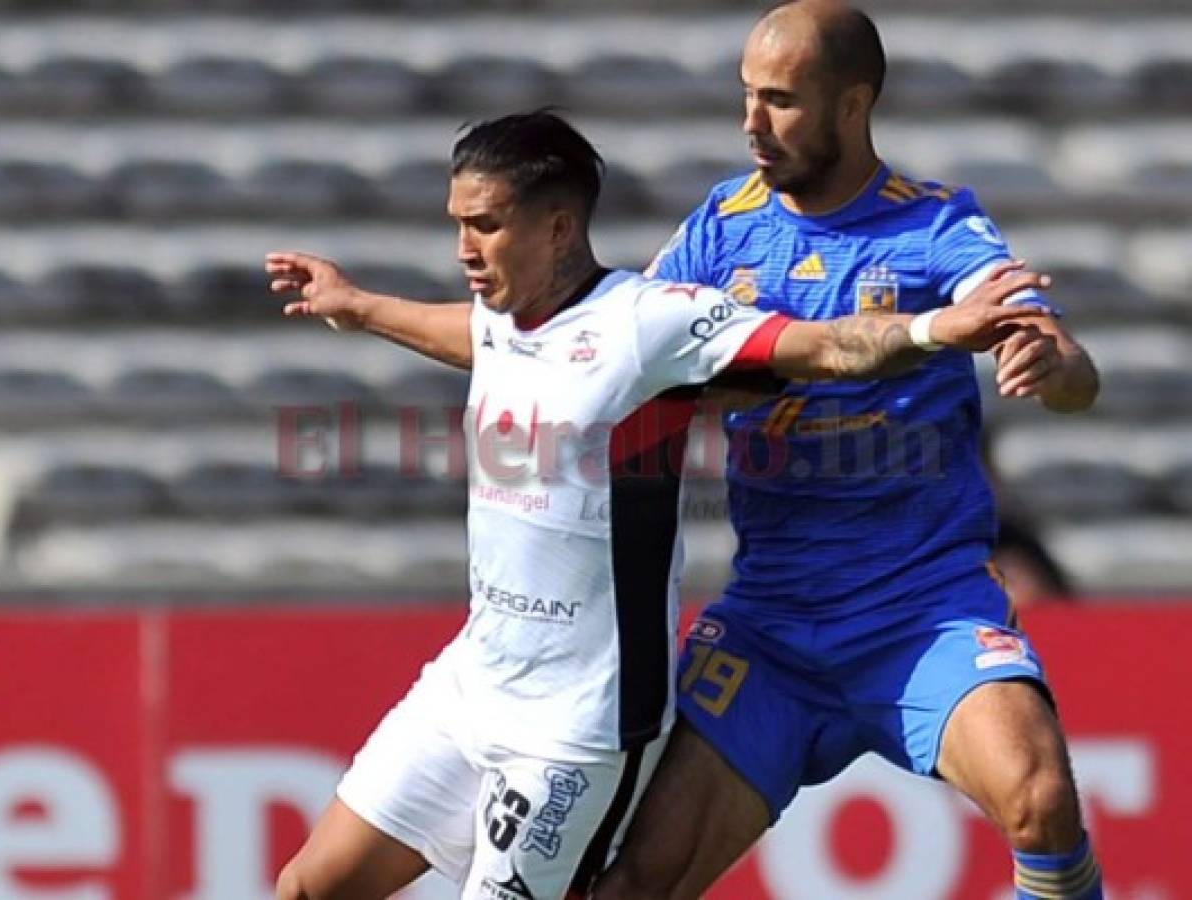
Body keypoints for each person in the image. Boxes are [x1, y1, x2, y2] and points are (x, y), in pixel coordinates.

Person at [264, 110, 1047, 900]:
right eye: (458, 224)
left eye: (486, 225)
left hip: (572, 727)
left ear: (559, 227)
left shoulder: (649, 325)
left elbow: (822, 347)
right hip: (471, 684)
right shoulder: (505, 318)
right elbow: (469, 335)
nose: (465, 248)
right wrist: (356, 305)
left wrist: (936, 328)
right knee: (306, 887)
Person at [593, 3, 1103, 900]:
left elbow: (1069, 371)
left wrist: (1049, 360)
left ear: (853, 104)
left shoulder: (938, 225)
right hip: (771, 627)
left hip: (921, 611)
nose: (751, 124)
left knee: (1041, 798)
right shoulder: (720, 226)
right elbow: (625, 352)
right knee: (638, 880)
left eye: (780, 101)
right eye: (746, 97)